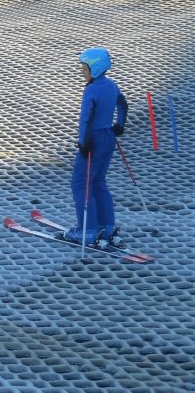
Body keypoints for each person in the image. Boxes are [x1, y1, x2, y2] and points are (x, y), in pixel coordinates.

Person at [66, 48, 128, 245]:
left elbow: (86, 119)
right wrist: (119, 125)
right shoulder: (111, 85)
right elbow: (123, 104)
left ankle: (88, 230)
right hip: (109, 137)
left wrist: (83, 142)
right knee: (98, 181)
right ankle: (107, 227)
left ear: (96, 68)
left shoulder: (91, 90)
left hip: (93, 139)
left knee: (80, 184)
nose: (82, 73)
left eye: (84, 69)